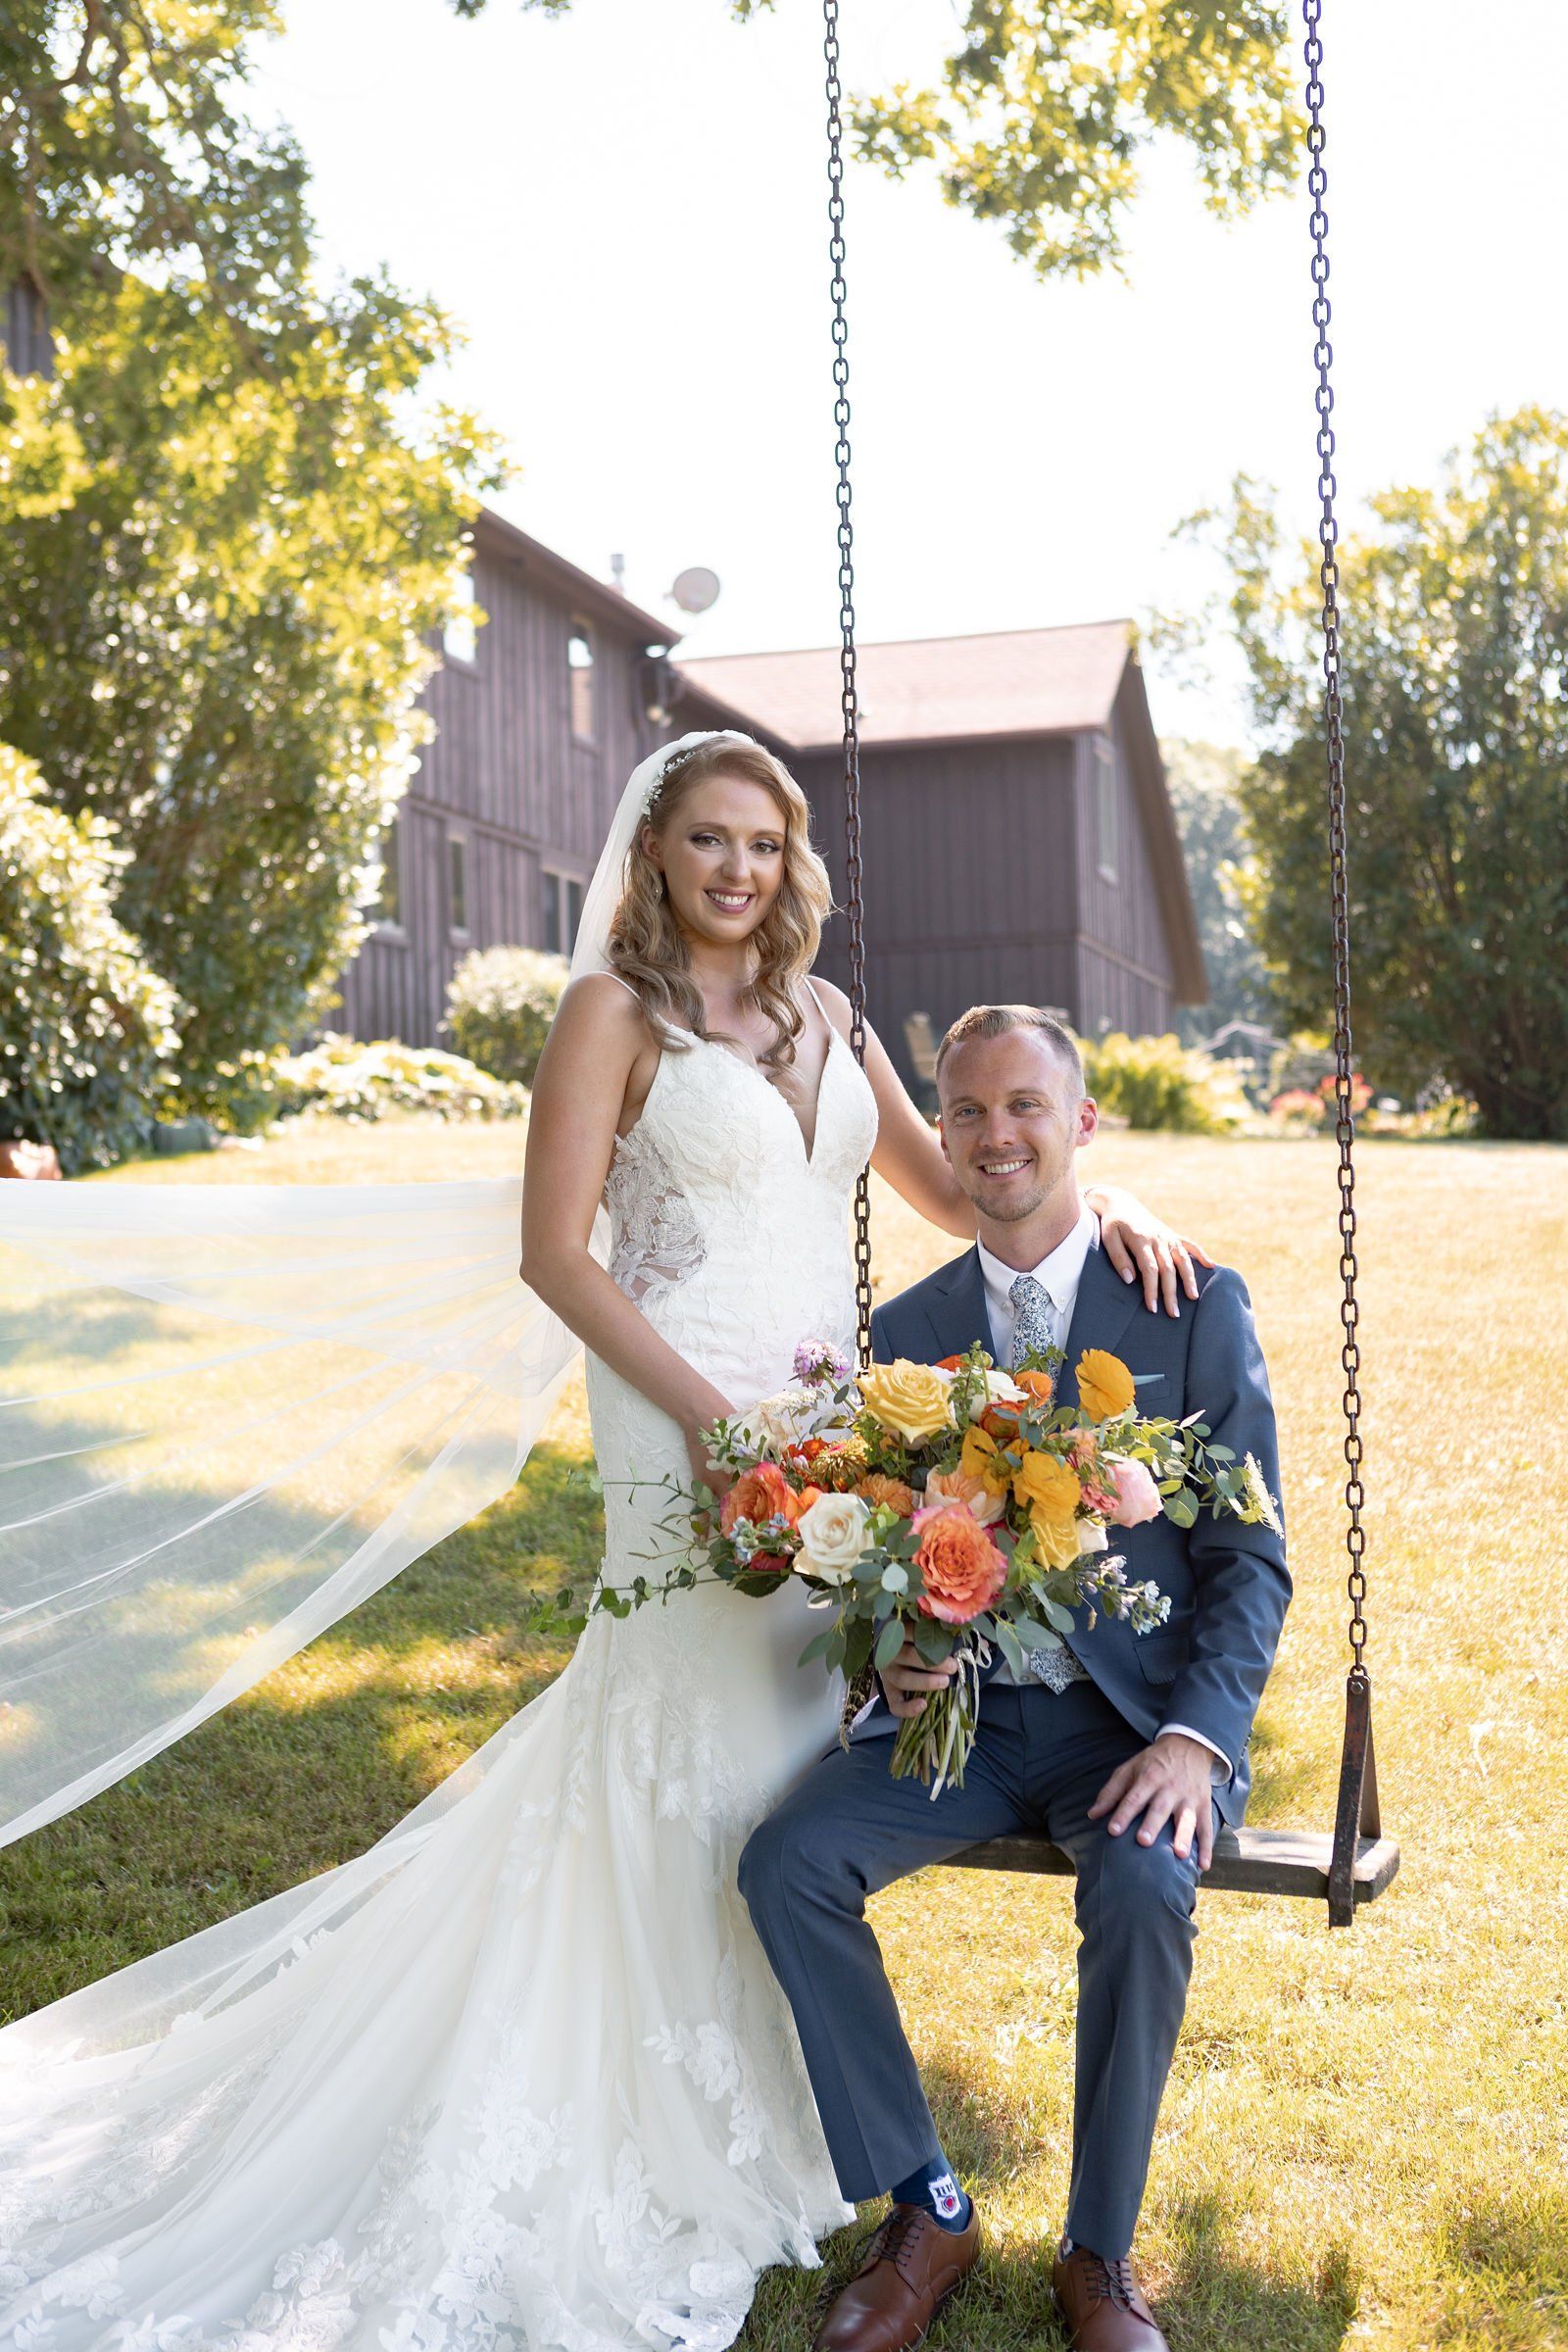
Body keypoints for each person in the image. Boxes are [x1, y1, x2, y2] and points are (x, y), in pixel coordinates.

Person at [0, 738, 1201, 2352]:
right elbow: (552, 1255)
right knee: (682, 1738)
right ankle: (647, 2112)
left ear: (792, 863)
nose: (737, 871)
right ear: (653, 854)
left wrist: (1105, 1203)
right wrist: (711, 1424)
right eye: (707, 840)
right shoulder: (612, 1018)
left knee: (781, 1757)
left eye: (763, 844)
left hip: (829, 1421)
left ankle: (772, 2103)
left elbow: (954, 1187)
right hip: (678, 1413)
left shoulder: (830, 1018)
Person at [740, 1002, 1291, 2352]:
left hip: (1129, 1730)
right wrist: (894, 1659)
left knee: (1149, 1882)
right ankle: (928, 2206)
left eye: (1025, 1107)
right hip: (966, 1728)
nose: (996, 1135)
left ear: (1082, 1124)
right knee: (787, 1862)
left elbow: (1251, 1560)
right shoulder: (910, 1334)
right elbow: (877, 1534)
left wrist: (1196, 1745)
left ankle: (1099, 2253)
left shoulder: (1187, 1302)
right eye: (968, 1111)